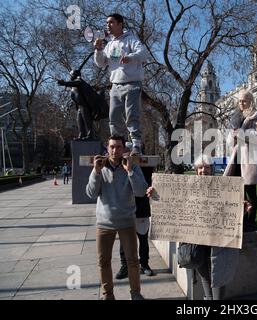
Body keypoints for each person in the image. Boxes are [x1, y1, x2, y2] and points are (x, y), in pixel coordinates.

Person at [146, 155, 245, 300]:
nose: (203, 170)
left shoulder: (224, 186)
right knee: (204, 274)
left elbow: (232, 207)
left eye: (207, 167)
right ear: (196, 170)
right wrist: (154, 194)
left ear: (212, 169)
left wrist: (243, 207)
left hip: (218, 243)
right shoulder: (188, 187)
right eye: (200, 167)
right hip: (196, 241)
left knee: (218, 274)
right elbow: (170, 203)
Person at [86, 135, 148, 300]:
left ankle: (135, 293)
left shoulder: (131, 166)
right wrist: (96, 172)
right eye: (112, 147)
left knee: (133, 260)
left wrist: (130, 172)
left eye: (118, 147)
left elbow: (141, 191)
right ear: (107, 148)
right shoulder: (100, 166)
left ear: (124, 149)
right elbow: (91, 193)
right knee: (103, 261)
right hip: (104, 223)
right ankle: (108, 294)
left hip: (126, 221)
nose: (115, 150)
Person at [93, 13, 149, 156]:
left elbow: (143, 54)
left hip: (132, 84)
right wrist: (98, 50)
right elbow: (100, 63)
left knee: (131, 115)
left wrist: (130, 57)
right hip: (115, 85)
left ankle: (136, 146)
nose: (108, 26)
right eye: (107, 23)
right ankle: (117, 147)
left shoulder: (131, 39)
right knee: (114, 117)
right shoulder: (109, 44)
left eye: (111, 22)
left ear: (120, 24)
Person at [224, 89, 257, 232]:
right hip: (237, 156)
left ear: (250, 101)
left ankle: (251, 221)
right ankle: (240, 220)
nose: (241, 103)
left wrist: (243, 134)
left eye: (244, 100)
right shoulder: (236, 116)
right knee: (236, 190)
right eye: (239, 101)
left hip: (249, 158)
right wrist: (233, 136)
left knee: (250, 191)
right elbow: (230, 140)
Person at [116, 165, 154, 279]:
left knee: (143, 239)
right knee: (123, 241)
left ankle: (144, 264)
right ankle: (125, 266)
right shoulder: (120, 166)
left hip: (141, 209)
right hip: (126, 210)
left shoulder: (147, 167)